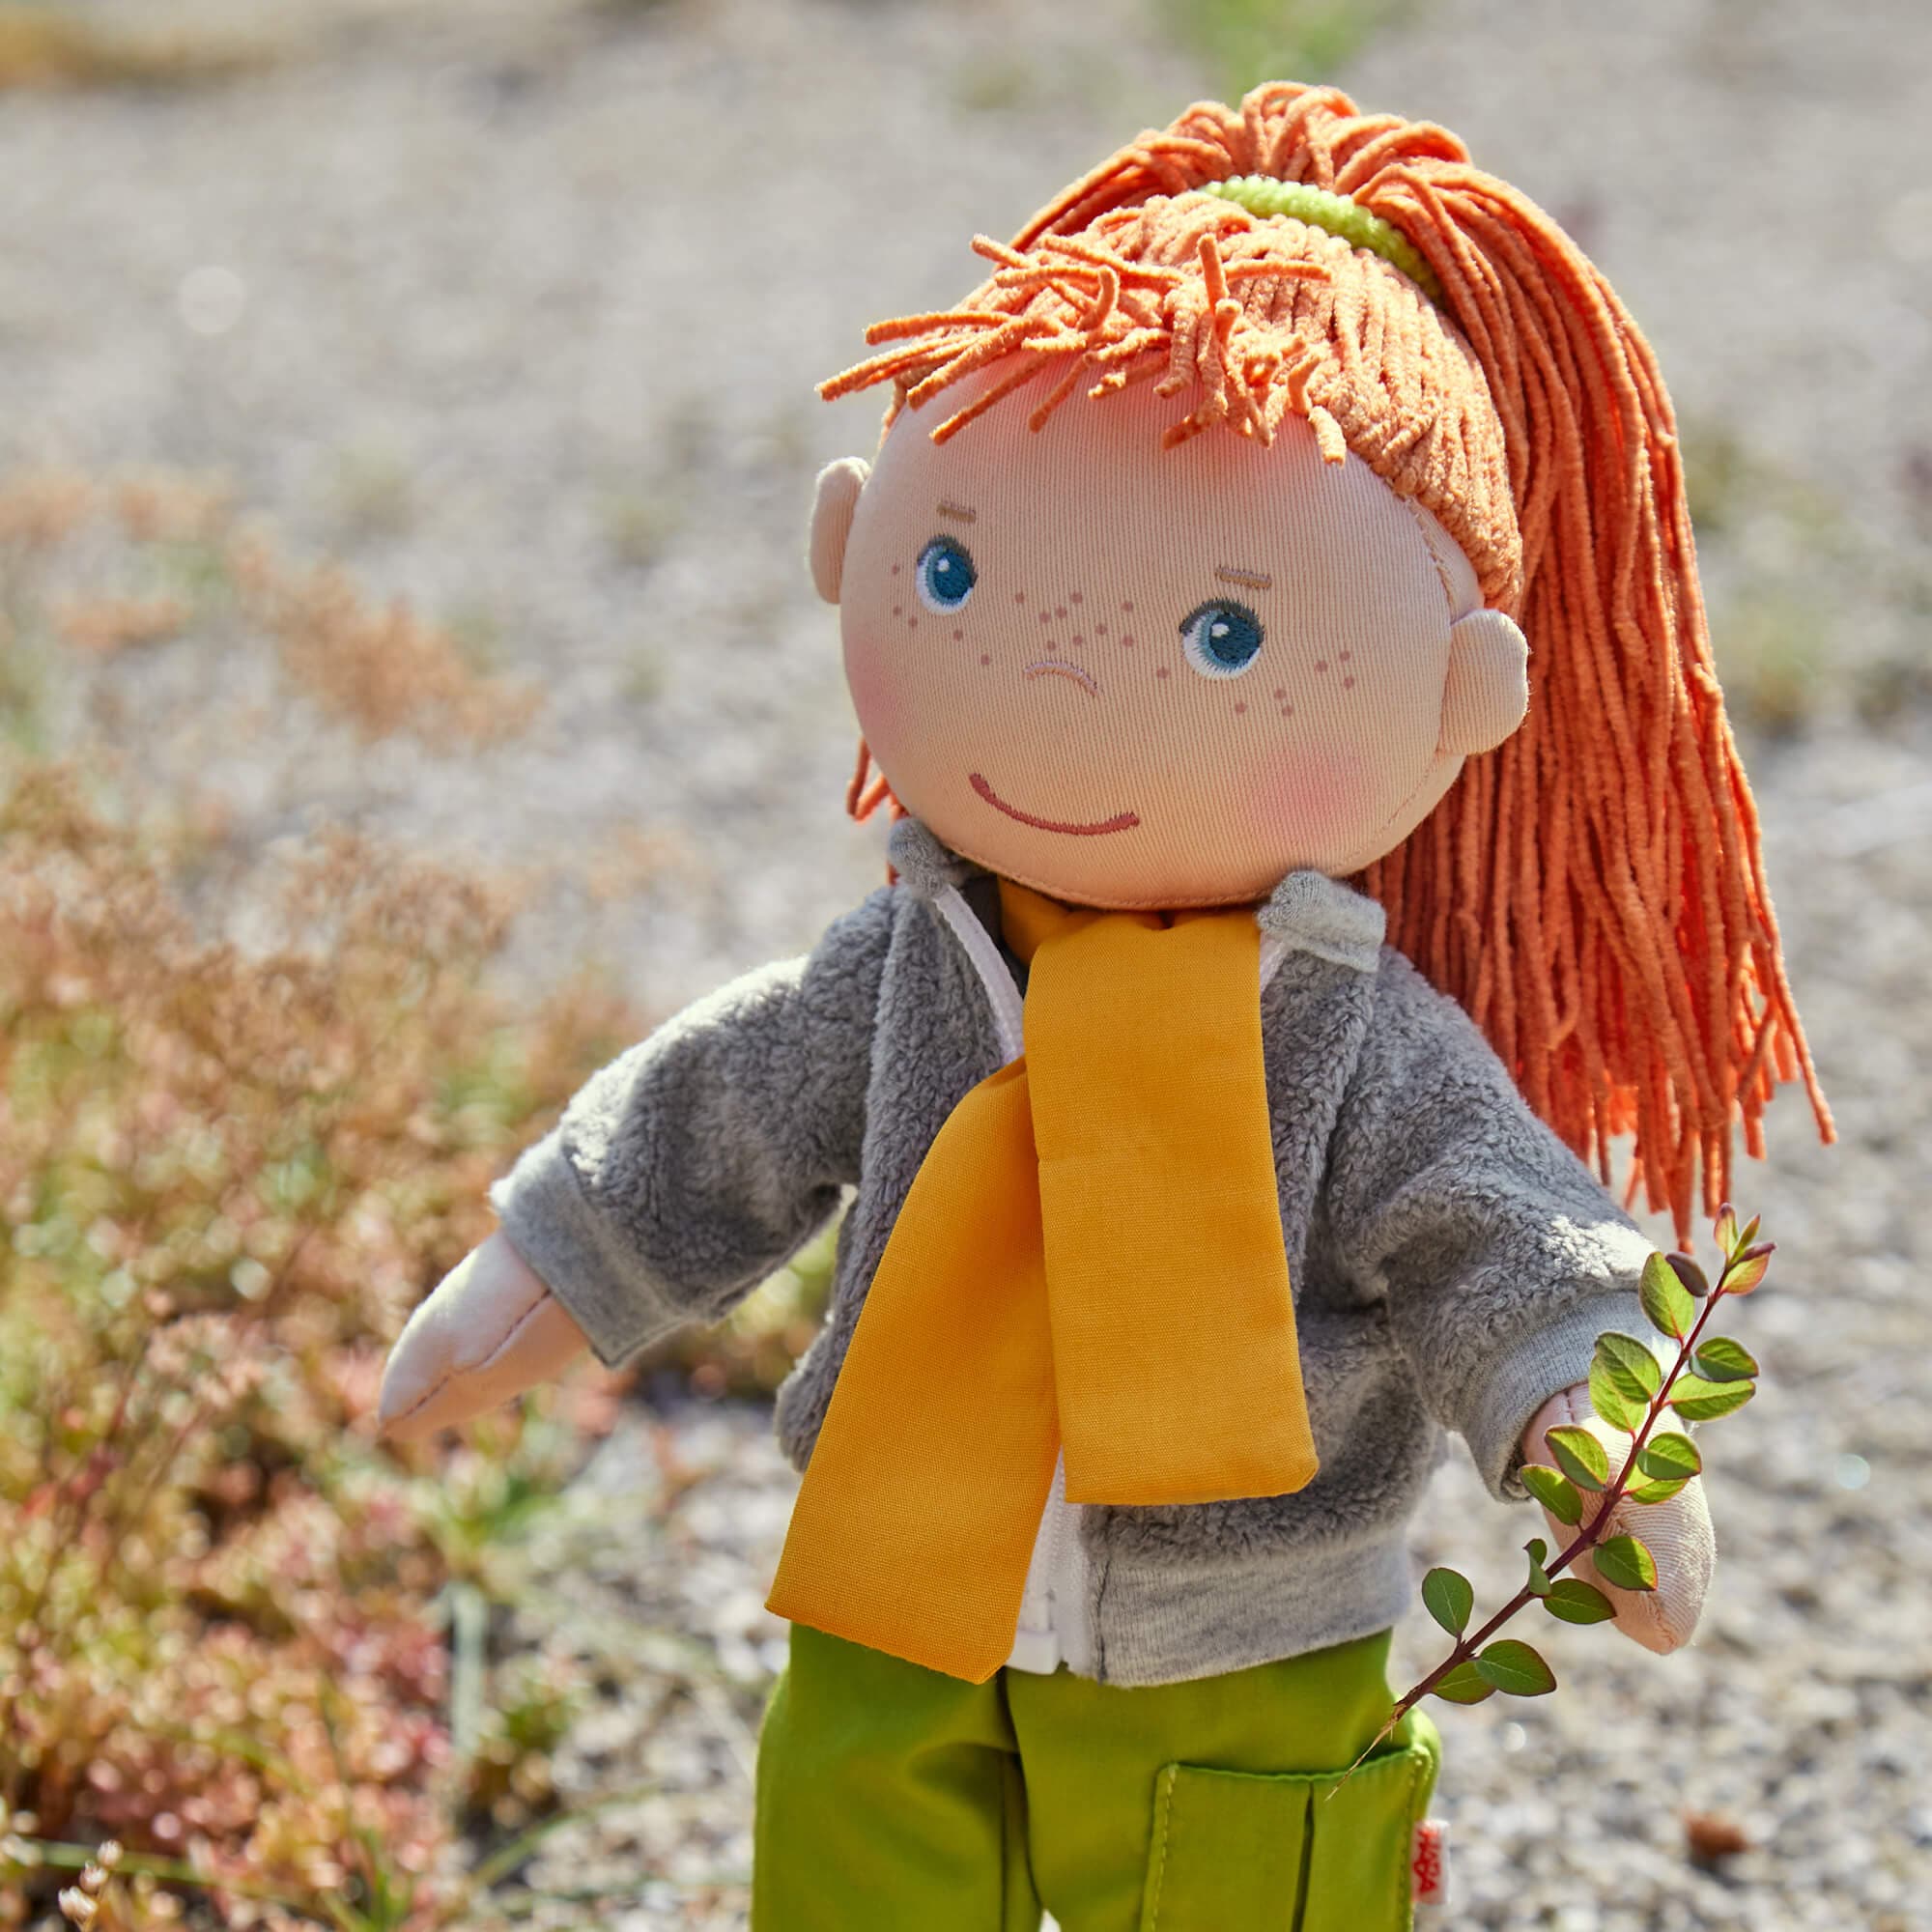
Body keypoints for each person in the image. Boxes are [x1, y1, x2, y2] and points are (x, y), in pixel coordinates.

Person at [378, 81, 1829, 1930]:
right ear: (851, 543)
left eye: (1228, 634)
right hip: (893, 1606)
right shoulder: (910, 972)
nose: (1061, 682)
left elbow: (1490, 1224)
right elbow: (726, 1109)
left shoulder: (1352, 1044)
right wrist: (557, 1255)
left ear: (1465, 693)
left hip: (1244, 1641)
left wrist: (1584, 1416)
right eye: (953, 571)